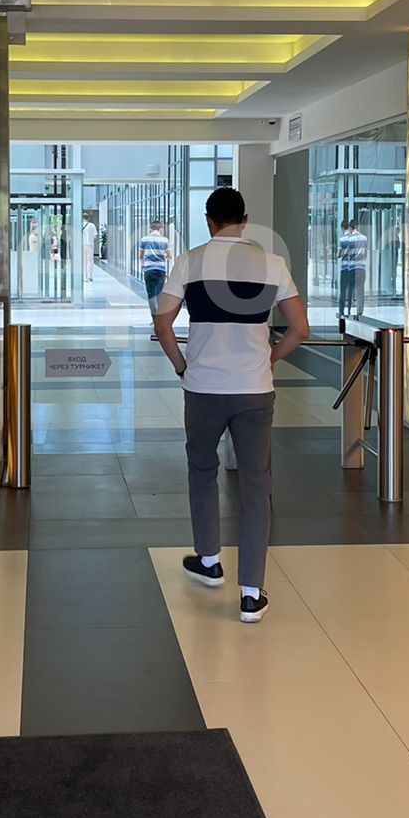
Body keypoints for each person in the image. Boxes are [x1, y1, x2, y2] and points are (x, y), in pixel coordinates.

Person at [153, 188, 310, 623]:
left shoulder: (190, 261)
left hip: (203, 387)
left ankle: (208, 560)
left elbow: (163, 324)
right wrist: (272, 358)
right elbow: (300, 328)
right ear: (244, 219)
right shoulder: (272, 264)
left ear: (209, 220)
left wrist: (182, 366)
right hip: (254, 388)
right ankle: (251, 593)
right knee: (257, 484)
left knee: (202, 470)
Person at [337, 220, 370, 318]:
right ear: (357, 226)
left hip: (352, 268)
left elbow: (346, 253)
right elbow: (365, 254)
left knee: (349, 290)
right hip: (362, 267)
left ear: (350, 228)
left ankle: (348, 310)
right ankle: (360, 312)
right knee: (360, 290)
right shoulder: (364, 238)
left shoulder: (349, 239)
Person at [139, 220, 173, 312]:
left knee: (151, 294)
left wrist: (143, 265)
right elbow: (169, 256)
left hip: (149, 269)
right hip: (161, 269)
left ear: (151, 228)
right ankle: (159, 315)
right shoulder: (165, 240)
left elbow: (141, 256)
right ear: (160, 228)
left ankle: (154, 316)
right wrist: (163, 255)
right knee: (159, 293)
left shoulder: (144, 239)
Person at [82, 213, 99, 283]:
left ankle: (85, 277)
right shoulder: (92, 225)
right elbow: (95, 236)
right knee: (90, 261)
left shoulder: (80, 225)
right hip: (90, 245)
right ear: (88, 218)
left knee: (84, 261)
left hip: (82, 245)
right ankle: (90, 277)